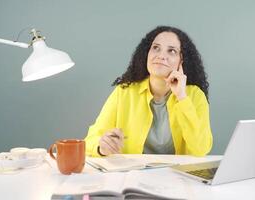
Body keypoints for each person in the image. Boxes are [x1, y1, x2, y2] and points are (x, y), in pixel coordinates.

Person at [85, 26, 213, 157]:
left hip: (177, 175)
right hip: (132, 174)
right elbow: (90, 141)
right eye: (156, 48)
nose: (161, 56)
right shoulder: (124, 92)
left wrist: (182, 97)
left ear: (182, 61)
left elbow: (200, 149)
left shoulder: (195, 96)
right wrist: (102, 147)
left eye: (172, 51)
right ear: (147, 54)